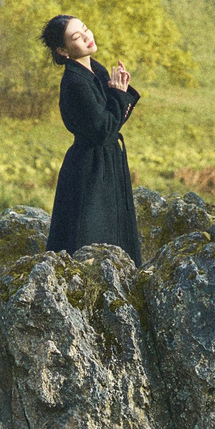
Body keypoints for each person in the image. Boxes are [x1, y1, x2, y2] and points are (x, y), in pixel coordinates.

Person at [40, 14, 144, 261]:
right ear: (63, 51)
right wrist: (118, 95)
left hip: (108, 161)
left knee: (115, 236)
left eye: (85, 29)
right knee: (87, 240)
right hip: (89, 169)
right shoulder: (75, 82)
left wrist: (119, 92)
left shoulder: (95, 69)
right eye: (77, 36)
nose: (87, 36)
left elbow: (113, 122)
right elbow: (104, 129)